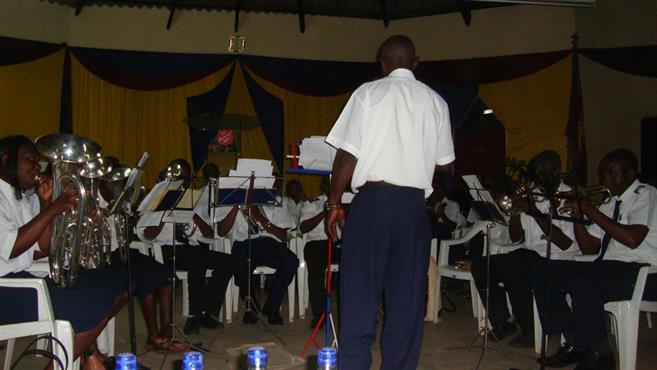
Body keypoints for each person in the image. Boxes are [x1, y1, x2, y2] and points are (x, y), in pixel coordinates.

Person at [325, 35, 455, 369]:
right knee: (406, 301)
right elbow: (445, 164)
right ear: (415, 62)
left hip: (373, 204)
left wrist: (334, 203)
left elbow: (346, 154)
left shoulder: (369, 93)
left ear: (382, 62)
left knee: (359, 295)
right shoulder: (436, 102)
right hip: (414, 209)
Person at [0, 135, 125, 369]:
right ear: (6, 159)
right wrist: (55, 207)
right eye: (31, 160)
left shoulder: (18, 198)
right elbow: (13, 246)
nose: (38, 167)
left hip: (22, 280)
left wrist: (47, 204)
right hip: (5, 291)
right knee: (92, 306)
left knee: (104, 290)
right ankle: (85, 359)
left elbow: (42, 246)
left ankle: (88, 357)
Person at [534, 149, 657, 370]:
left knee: (585, 282)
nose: (605, 179)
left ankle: (602, 357)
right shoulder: (611, 202)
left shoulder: (646, 194)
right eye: (603, 175)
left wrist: (589, 210)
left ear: (630, 174)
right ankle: (576, 344)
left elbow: (632, 239)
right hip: (608, 266)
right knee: (547, 273)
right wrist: (579, 216)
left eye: (612, 174)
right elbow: (589, 247)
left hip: (641, 271)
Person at [471, 150, 580, 348]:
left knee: (515, 268)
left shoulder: (568, 196)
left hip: (559, 256)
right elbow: (516, 237)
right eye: (536, 171)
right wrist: (515, 212)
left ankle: (530, 330)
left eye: (543, 170)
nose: (539, 176)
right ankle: (503, 322)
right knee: (482, 266)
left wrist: (534, 212)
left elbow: (565, 243)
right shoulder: (533, 193)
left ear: (557, 170)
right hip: (529, 252)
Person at [98, 160, 188, 353]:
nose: (120, 189)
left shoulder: (119, 201)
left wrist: (129, 223)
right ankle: (154, 337)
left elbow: (127, 239)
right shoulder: (92, 202)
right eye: (116, 184)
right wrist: (104, 215)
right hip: (103, 258)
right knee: (143, 278)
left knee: (165, 275)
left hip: (122, 252)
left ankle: (166, 333)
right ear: (104, 182)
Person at [137, 159, 233, 335]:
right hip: (167, 249)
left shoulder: (193, 199)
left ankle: (208, 312)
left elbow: (210, 234)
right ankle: (194, 316)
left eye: (187, 179)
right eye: (180, 178)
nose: (183, 183)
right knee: (197, 260)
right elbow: (148, 234)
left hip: (191, 247)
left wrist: (193, 214)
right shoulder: (157, 199)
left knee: (228, 261)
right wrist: (165, 212)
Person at [215, 168, 299, 326]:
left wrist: (259, 217)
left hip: (270, 243)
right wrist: (236, 205)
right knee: (240, 263)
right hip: (244, 243)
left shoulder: (276, 201)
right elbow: (221, 231)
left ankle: (272, 307)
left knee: (291, 261)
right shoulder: (233, 200)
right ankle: (251, 307)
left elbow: (283, 236)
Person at [299, 176, 340, 329]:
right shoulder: (312, 203)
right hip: (316, 244)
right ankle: (319, 314)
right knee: (315, 270)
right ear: (321, 186)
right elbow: (303, 228)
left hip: (338, 243)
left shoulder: (347, 201)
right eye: (327, 183)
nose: (331, 186)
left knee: (357, 264)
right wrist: (326, 211)